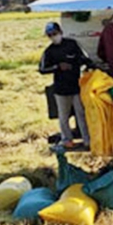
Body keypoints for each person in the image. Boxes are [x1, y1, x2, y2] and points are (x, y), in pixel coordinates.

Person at [39, 22, 92, 150]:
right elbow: (42, 69)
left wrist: (80, 66)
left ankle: (87, 140)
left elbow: (85, 59)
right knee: (63, 117)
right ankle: (67, 140)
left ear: (61, 32)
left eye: (55, 34)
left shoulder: (72, 44)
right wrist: (57, 67)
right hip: (60, 90)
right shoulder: (49, 51)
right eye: (50, 35)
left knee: (82, 115)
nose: (53, 37)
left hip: (76, 86)